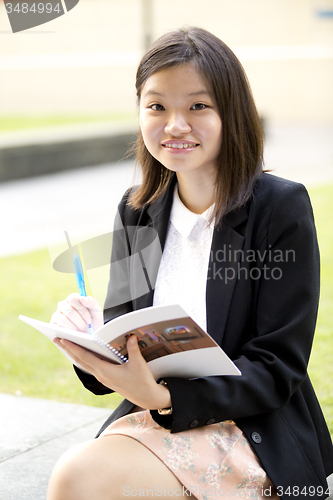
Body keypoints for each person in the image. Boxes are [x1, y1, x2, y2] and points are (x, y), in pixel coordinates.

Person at [47, 27, 333, 500]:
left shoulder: (279, 208)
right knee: (79, 476)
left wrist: (163, 397)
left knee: (78, 479)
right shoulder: (137, 209)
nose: (175, 125)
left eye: (198, 106)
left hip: (251, 427)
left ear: (231, 113)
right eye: (156, 106)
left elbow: (277, 366)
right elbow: (125, 338)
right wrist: (89, 340)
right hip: (153, 418)